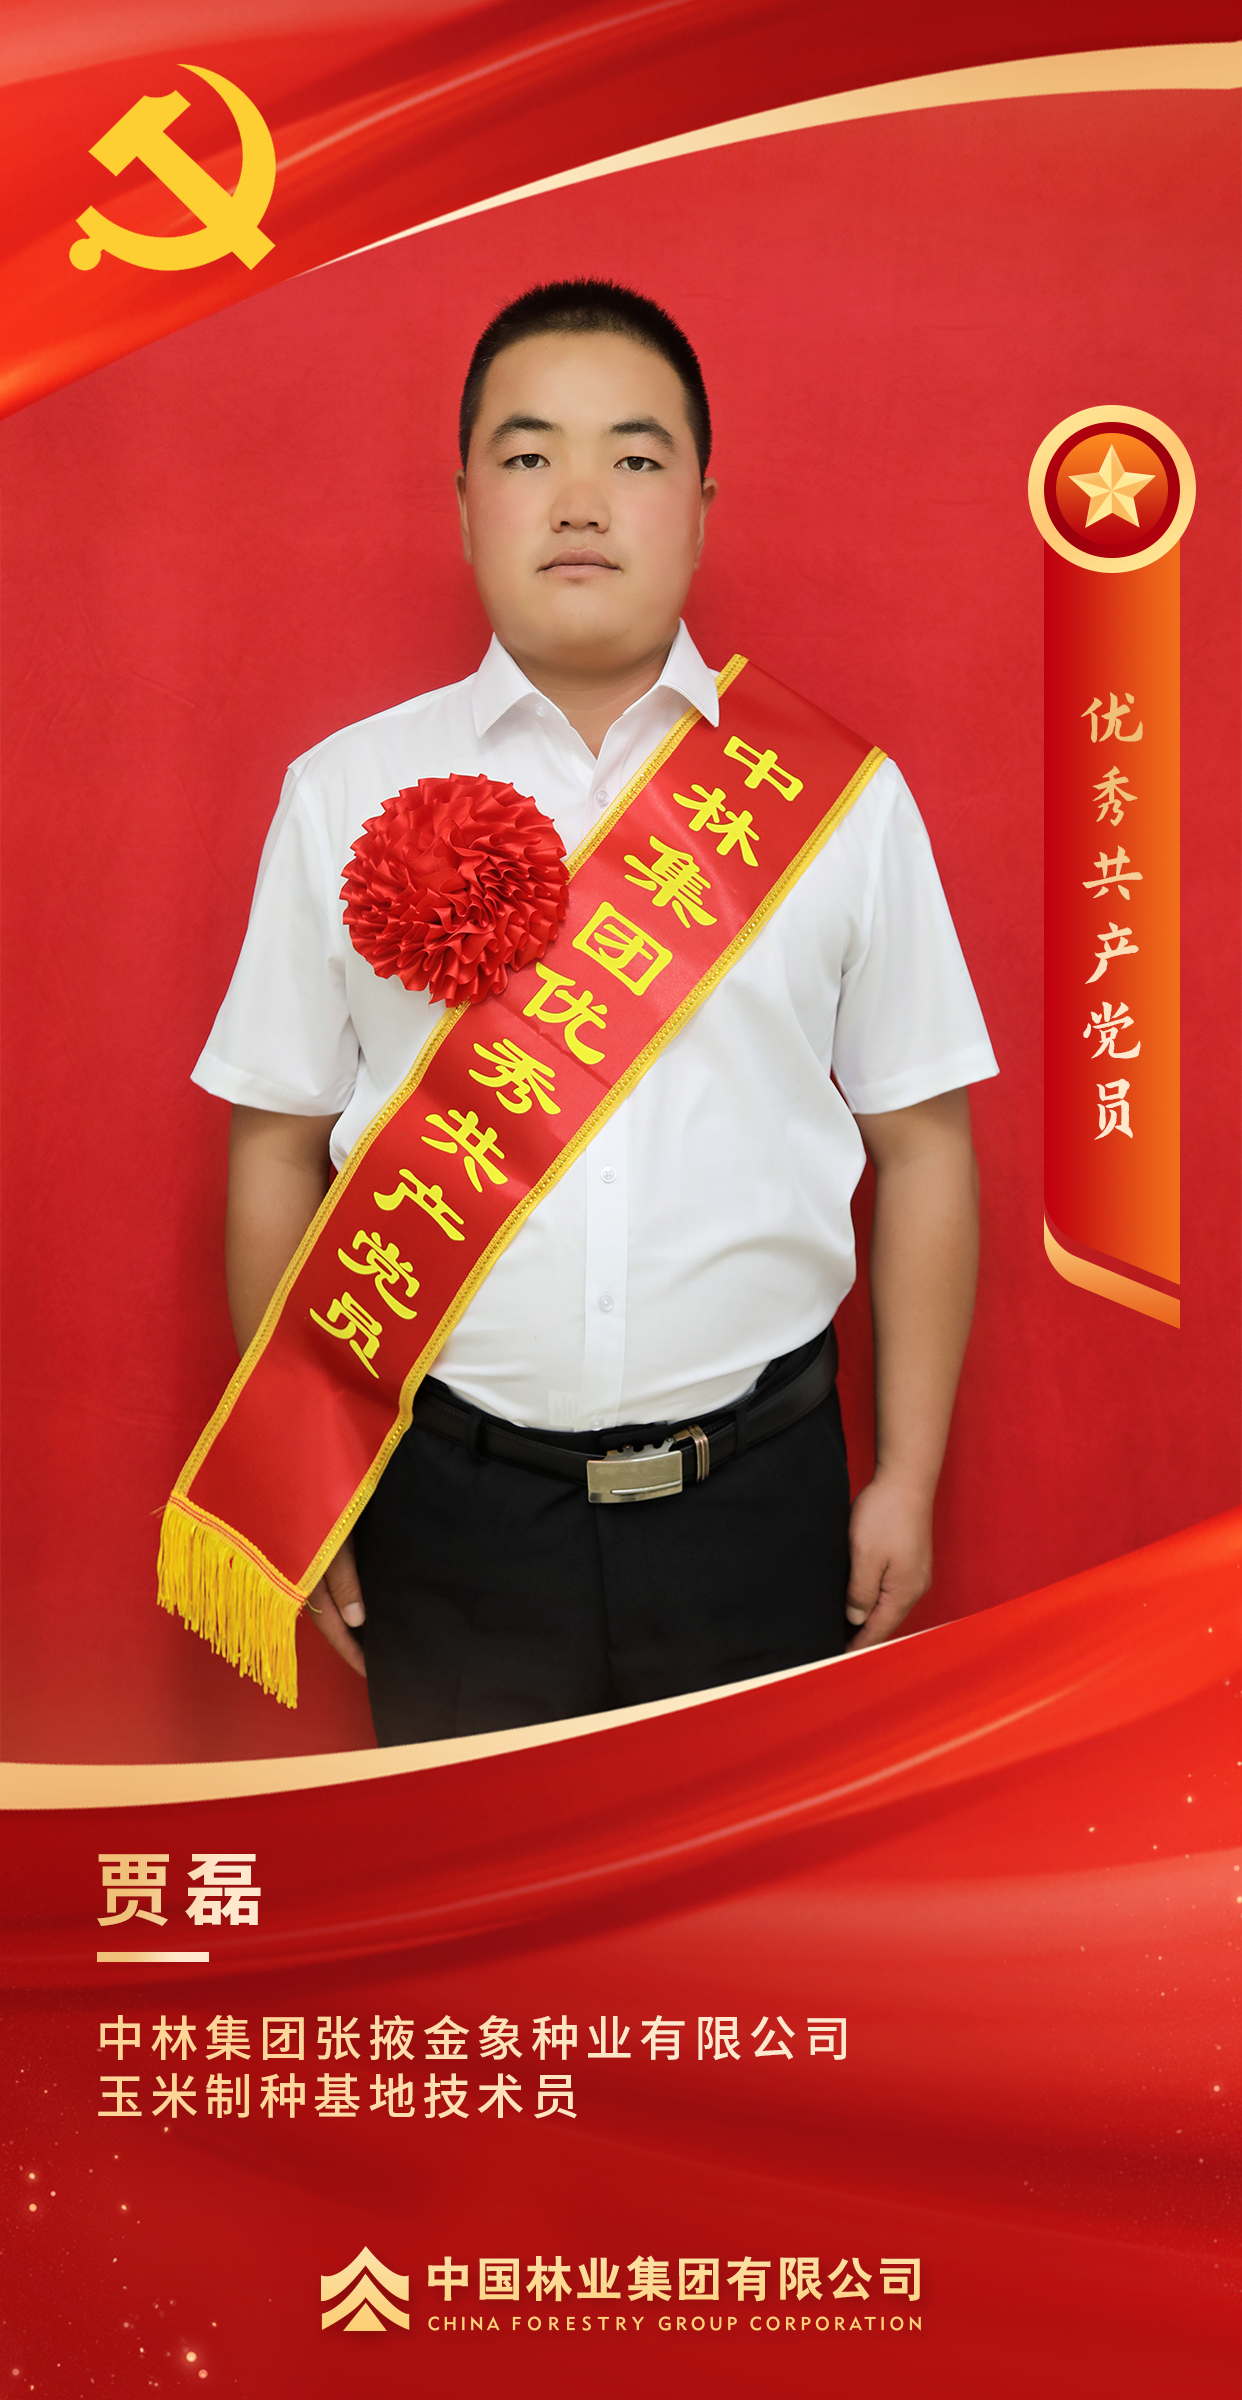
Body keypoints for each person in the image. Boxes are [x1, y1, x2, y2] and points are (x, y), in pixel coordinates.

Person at [192, 278, 997, 1742]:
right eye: (527, 455)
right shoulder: (341, 792)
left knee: (754, 1898)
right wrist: (309, 1483)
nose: (578, 500)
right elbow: (276, 1146)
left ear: (699, 506)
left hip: (760, 1505)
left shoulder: (839, 802)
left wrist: (907, 1475)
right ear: (463, 507)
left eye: (632, 456)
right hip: (450, 1517)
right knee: (483, 1891)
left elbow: (926, 1144)